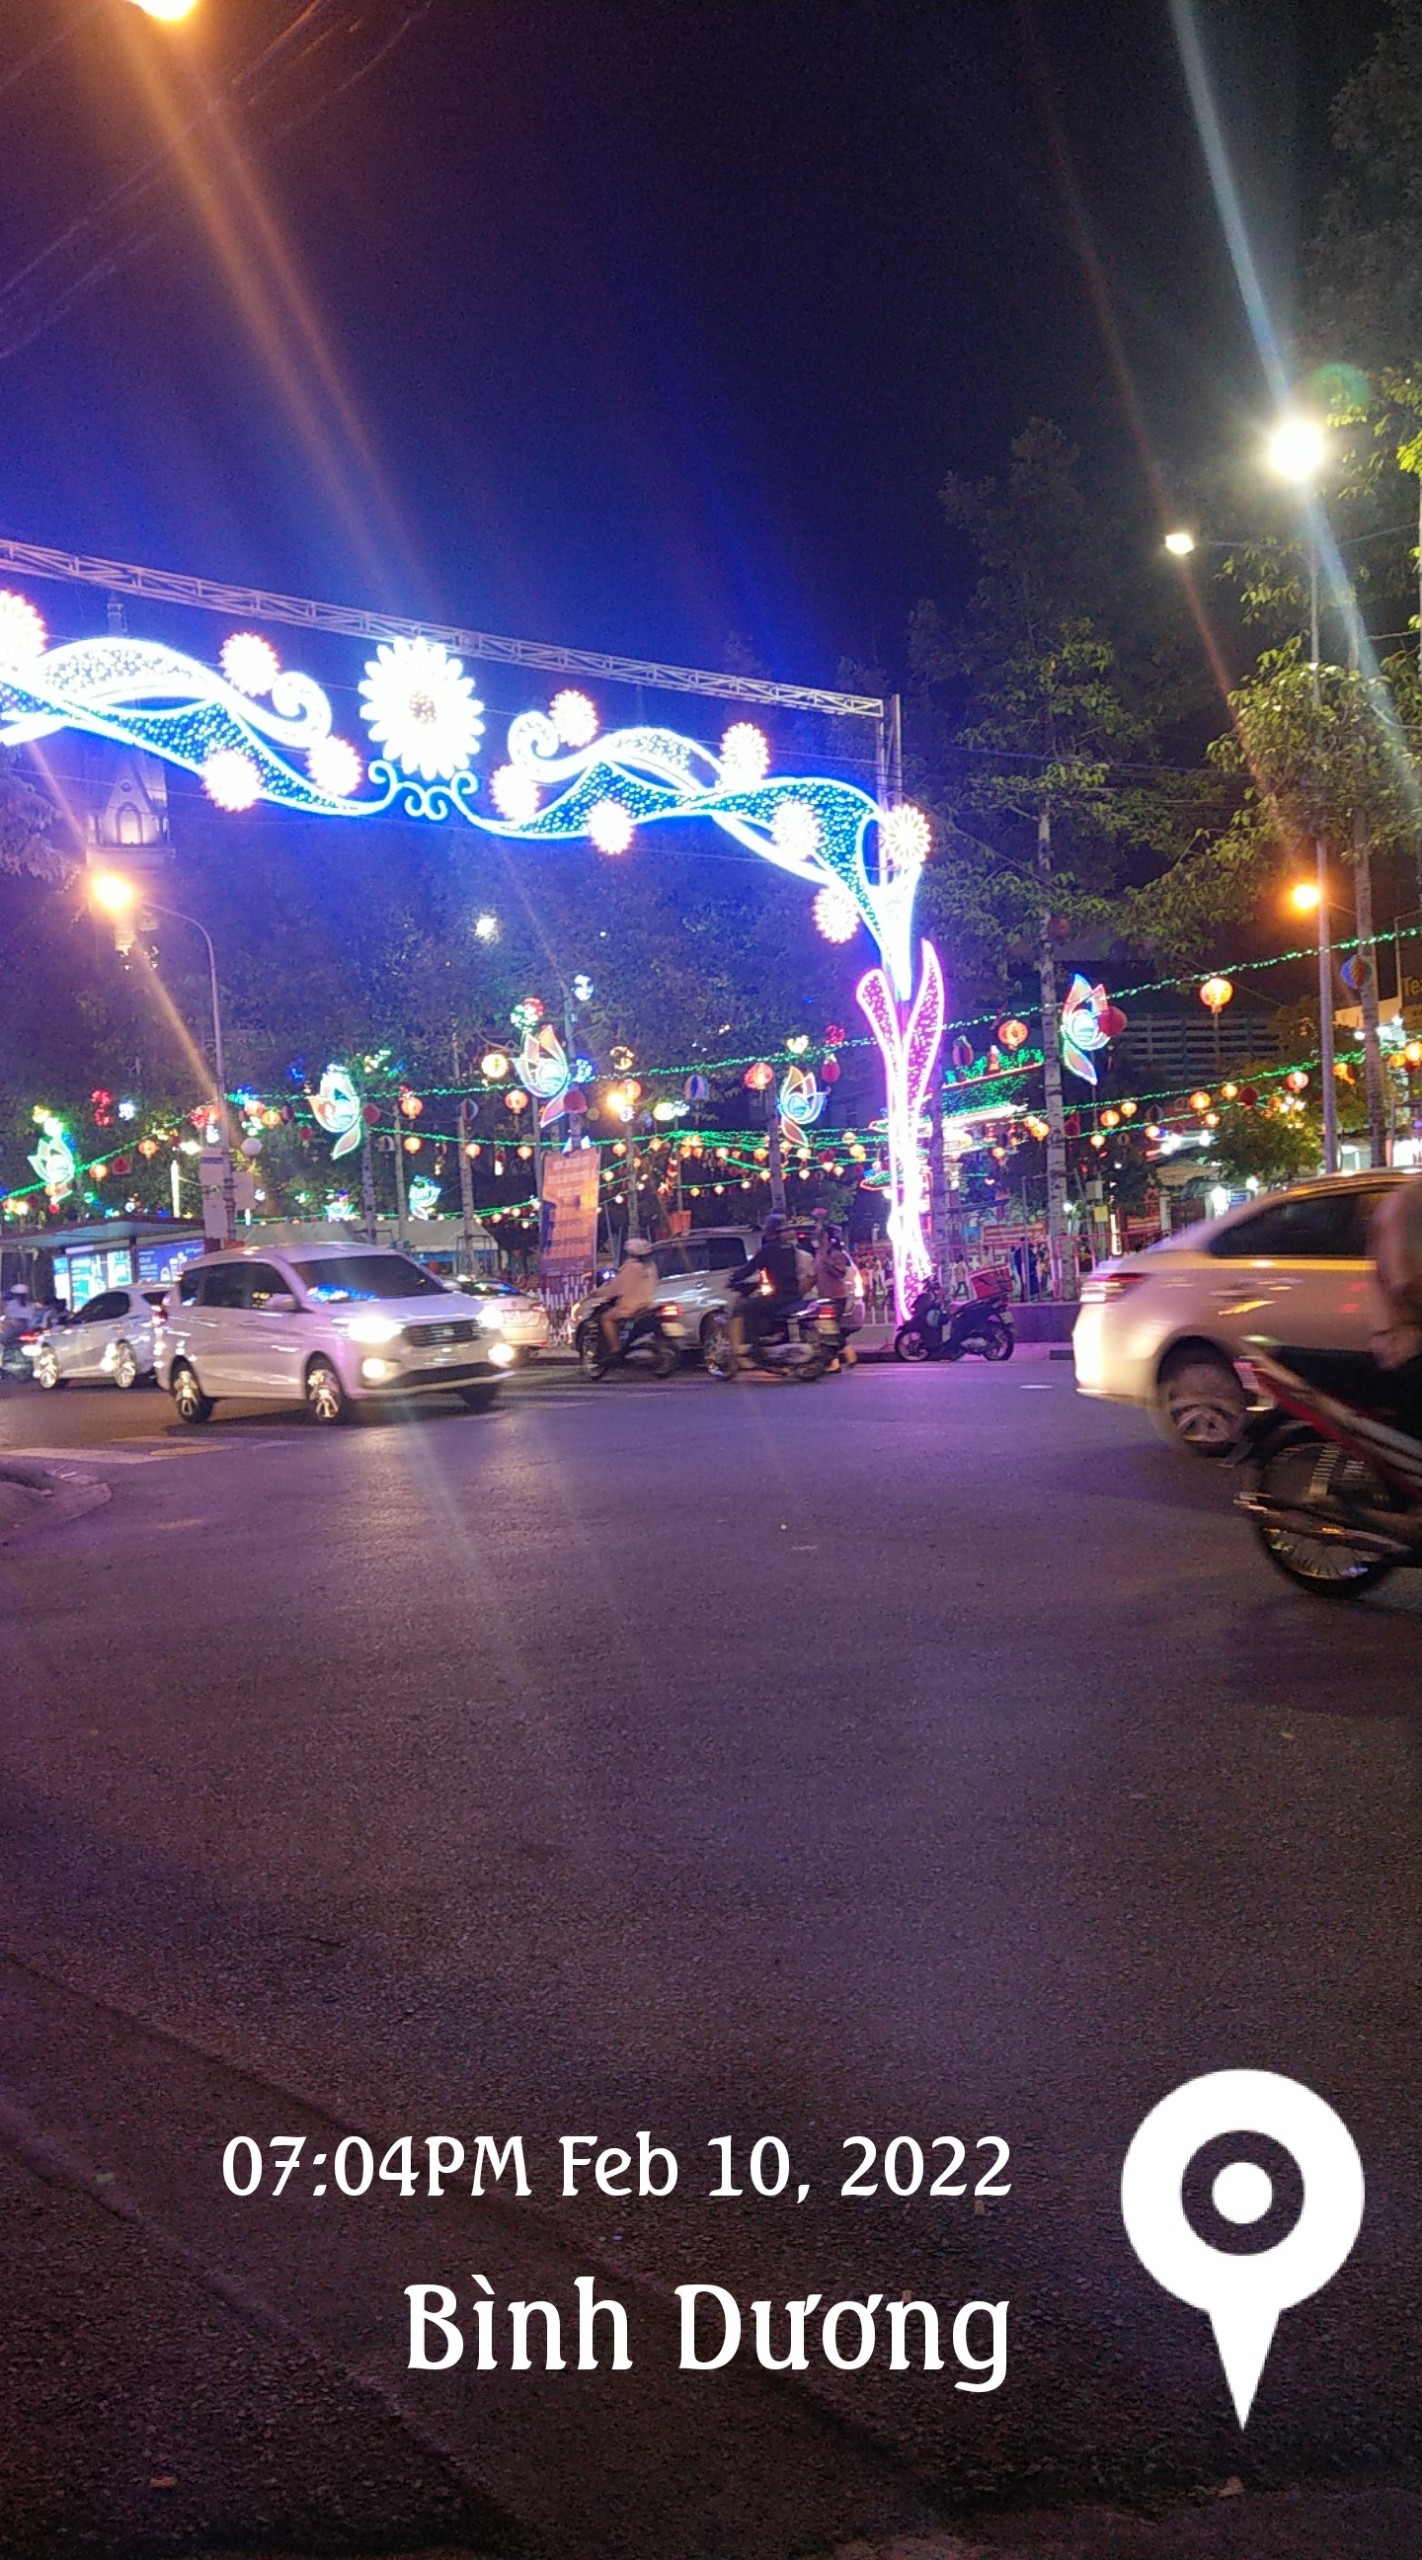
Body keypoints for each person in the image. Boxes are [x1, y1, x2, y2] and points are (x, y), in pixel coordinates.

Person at [730, 1210, 800, 1371]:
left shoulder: (769, 1249)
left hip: (780, 1295)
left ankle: (756, 1349)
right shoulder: (789, 1248)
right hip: (793, 1294)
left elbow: (751, 1267)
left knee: (747, 1307)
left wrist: (734, 1278)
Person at [594, 1235, 657, 1361]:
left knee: (606, 1318)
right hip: (647, 1305)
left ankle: (615, 1349)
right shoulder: (651, 1267)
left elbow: (614, 1289)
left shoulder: (630, 1268)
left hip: (630, 1308)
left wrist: (597, 1293)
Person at [814, 1220, 855, 1368]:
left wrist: (827, 1263)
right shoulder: (820, 1254)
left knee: (831, 1329)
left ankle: (849, 1354)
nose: (820, 1240)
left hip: (836, 1297)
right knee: (828, 1330)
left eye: (823, 1237)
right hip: (824, 1296)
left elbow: (840, 1274)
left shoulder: (836, 1254)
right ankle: (835, 1362)